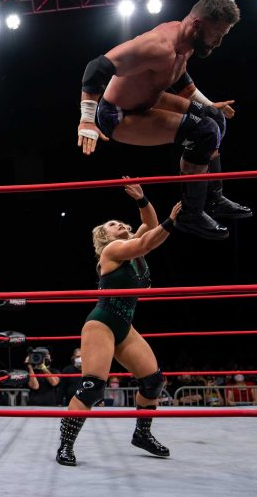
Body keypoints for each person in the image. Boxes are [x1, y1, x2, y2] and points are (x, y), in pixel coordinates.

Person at [77, 0, 251, 241]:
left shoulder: (186, 43)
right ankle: (191, 214)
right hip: (118, 115)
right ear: (198, 24)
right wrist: (87, 119)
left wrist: (209, 104)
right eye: (216, 34)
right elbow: (97, 67)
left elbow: (178, 77)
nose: (219, 42)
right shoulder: (157, 46)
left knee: (215, 116)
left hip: (149, 101)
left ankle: (213, 197)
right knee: (203, 132)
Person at [56, 181, 180, 466]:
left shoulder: (134, 251)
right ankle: (65, 445)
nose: (120, 224)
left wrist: (142, 199)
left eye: (122, 222)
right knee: (92, 388)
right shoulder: (112, 251)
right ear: (104, 236)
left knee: (153, 381)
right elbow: (148, 240)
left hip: (125, 324)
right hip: (102, 323)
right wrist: (172, 220)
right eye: (113, 224)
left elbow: (149, 227)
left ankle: (142, 434)